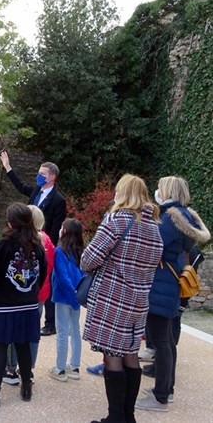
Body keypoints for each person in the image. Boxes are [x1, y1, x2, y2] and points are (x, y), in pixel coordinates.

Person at [81, 174, 163, 423]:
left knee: (112, 356)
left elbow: (88, 260)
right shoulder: (154, 227)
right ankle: (128, 416)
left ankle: (115, 417)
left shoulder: (117, 221)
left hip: (113, 298)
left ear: (123, 193)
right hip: (139, 300)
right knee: (130, 354)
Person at [135, 177, 210, 413]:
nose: (156, 191)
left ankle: (160, 398)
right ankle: (167, 389)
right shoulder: (183, 217)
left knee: (162, 342)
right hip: (169, 285)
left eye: (159, 187)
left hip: (160, 286)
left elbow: (151, 244)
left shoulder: (170, 219)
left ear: (167, 191)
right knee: (166, 340)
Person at [0, 203, 46, 407]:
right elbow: (43, 273)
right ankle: (26, 387)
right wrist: (31, 293)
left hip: (5, 304)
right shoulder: (38, 245)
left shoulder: (5, 246)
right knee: (23, 345)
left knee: (1, 346)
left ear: (10, 222)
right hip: (28, 304)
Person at [0, 151, 66, 336]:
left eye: (42, 173)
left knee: (48, 282)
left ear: (52, 177)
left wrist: (46, 246)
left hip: (44, 244)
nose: (39, 176)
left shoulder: (58, 200)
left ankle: (50, 322)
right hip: (29, 241)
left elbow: (55, 225)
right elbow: (21, 186)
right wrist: (8, 167)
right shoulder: (37, 191)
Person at [4, 204, 55, 385]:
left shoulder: (25, 241)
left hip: (23, 292)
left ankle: (11, 368)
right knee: (33, 332)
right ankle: (29, 369)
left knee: (13, 331)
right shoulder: (47, 240)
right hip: (40, 293)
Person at [48, 218, 85, 382]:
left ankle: (60, 368)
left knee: (62, 331)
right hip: (77, 296)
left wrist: (71, 293)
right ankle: (75, 366)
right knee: (75, 330)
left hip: (64, 296)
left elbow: (62, 277)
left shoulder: (59, 251)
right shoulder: (80, 251)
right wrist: (77, 294)